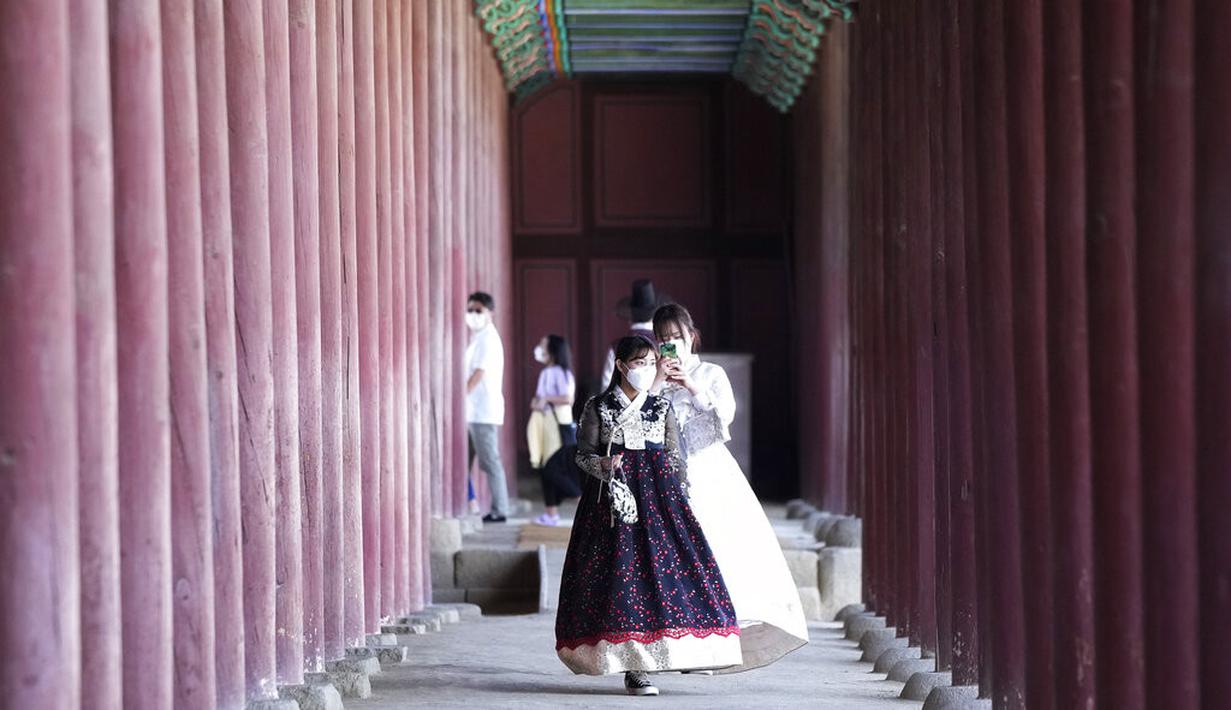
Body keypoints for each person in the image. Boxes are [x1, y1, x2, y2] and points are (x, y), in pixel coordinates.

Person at [555, 336, 742, 696]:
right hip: (613, 502)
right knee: (622, 579)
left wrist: (679, 496)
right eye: (639, 362)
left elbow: (674, 456)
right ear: (622, 366)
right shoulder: (599, 406)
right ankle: (634, 667)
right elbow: (581, 455)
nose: (646, 369)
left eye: (651, 362)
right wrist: (604, 465)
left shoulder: (661, 407)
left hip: (660, 502)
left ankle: (676, 652)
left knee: (668, 576)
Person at [652, 303, 809, 671]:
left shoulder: (711, 373)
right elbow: (641, 414)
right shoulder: (652, 375)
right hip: (665, 475)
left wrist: (690, 386)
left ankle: (713, 641)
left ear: (692, 336)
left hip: (709, 470)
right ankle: (675, 640)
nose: (671, 345)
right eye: (663, 340)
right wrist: (659, 380)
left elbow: (724, 417)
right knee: (672, 556)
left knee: (715, 549)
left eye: (677, 337)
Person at [464, 291, 510, 523]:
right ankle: (469, 503)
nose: (473, 315)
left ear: (490, 313)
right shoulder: (478, 337)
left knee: (490, 460)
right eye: (470, 310)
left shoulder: (487, 339)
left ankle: (500, 509)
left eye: (478, 310)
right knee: (463, 460)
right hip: (473, 411)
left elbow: (478, 374)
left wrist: (461, 395)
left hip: (482, 411)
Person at [527, 334, 580, 526]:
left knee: (552, 470)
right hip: (547, 427)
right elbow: (539, 399)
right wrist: (538, 402)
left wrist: (546, 399)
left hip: (559, 427)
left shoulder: (561, 372)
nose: (539, 348)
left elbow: (568, 398)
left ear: (552, 350)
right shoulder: (546, 372)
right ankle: (551, 514)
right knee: (545, 469)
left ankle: (579, 498)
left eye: (542, 345)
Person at [599, 279, 663, 389]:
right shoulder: (665, 343)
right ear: (654, 317)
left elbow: (606, 384)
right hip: (660, 401)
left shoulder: (616, 346)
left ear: (630, 317)